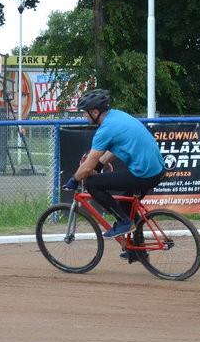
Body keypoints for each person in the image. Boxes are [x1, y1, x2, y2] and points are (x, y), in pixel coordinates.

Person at [63, 89, 165, 239]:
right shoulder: (117, 116)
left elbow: (87, 166)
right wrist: (100, 164)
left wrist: (74, 180)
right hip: (156, 170)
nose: (84, 115)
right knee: (126, 206)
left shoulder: (105, 129)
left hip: (144, 174)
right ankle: (138, 251)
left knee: (92, 183)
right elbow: (117, 148)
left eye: (85, 112)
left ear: (95, 112)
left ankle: (124, 222)